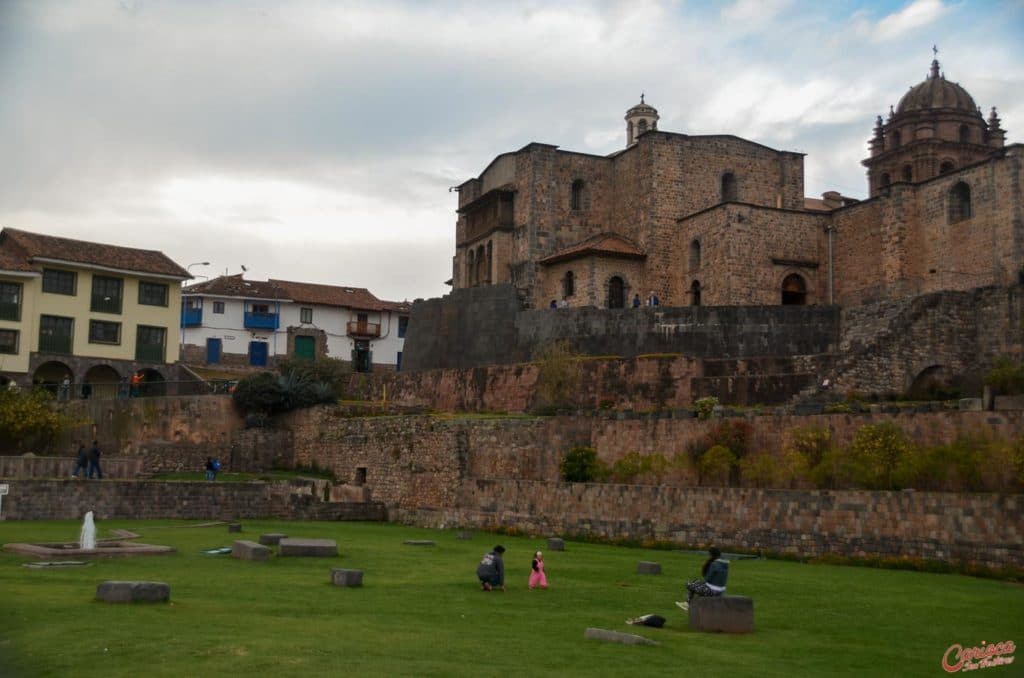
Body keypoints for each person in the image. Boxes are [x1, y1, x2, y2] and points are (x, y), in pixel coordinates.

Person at [676, 547, 728, 611]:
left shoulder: (714, 564)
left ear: (711, 554)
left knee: (689, 584)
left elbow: (707, 579)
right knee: (696, 582)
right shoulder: (724, 564)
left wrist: (705, 567)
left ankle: (688, 604)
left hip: (712, 591)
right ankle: (688, 603)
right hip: (721, 591)